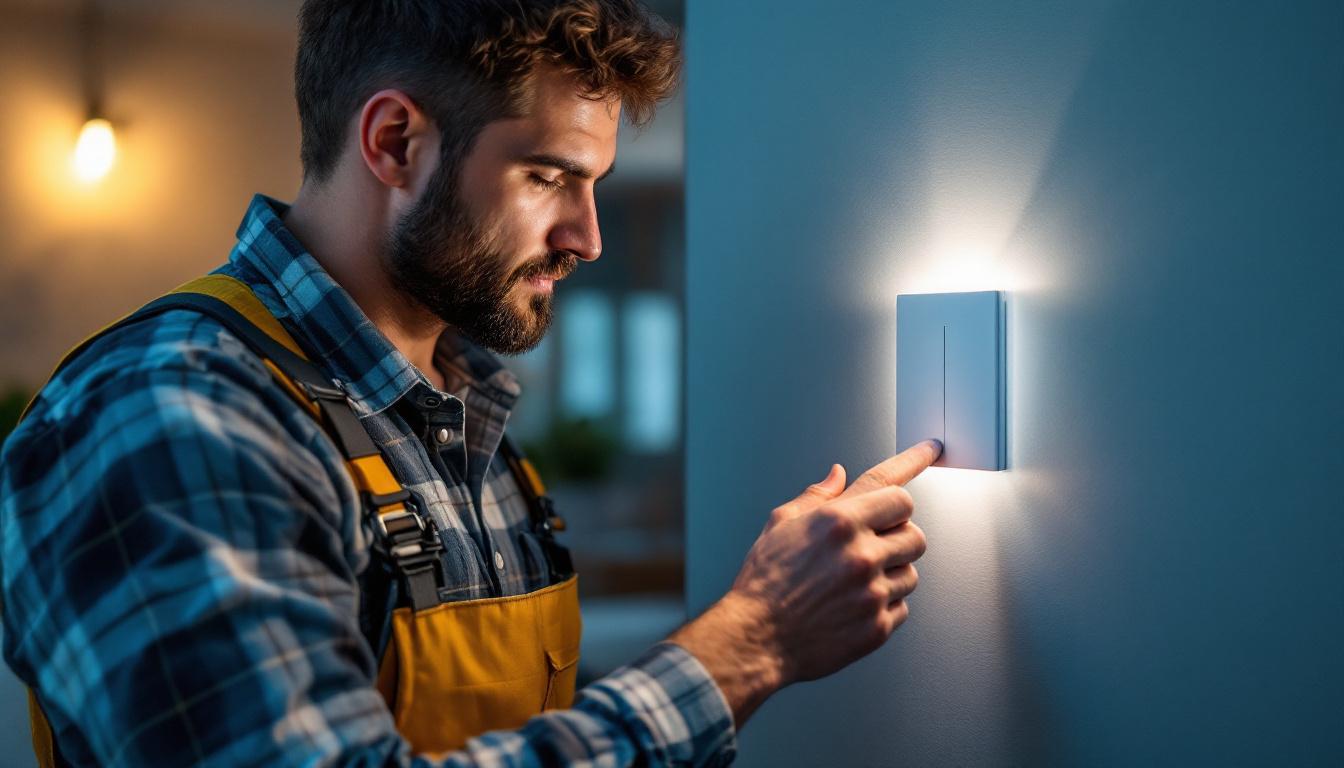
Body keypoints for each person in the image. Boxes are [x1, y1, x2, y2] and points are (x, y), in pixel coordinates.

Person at [0, 1, 942, 765]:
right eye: (547, 175)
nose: (587, 237)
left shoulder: (460, 413)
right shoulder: (172, 414)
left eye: (594, 185)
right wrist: (750, 643)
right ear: (397, 144)